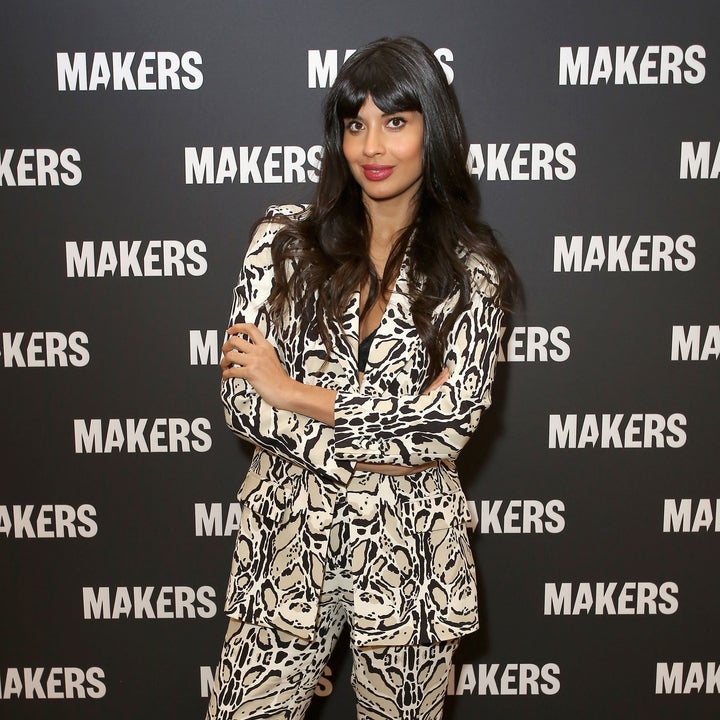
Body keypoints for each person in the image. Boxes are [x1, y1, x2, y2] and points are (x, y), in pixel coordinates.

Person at [207, 36, 515, 720]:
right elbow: (241, 397)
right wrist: (389, 436)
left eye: (395, 121)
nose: (372, 146)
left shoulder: (472, 272)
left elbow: (449, 426)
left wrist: (293, 392)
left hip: (412, 567)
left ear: (433, 129)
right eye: (356, 124)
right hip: (283, 554)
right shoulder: (283, 242)